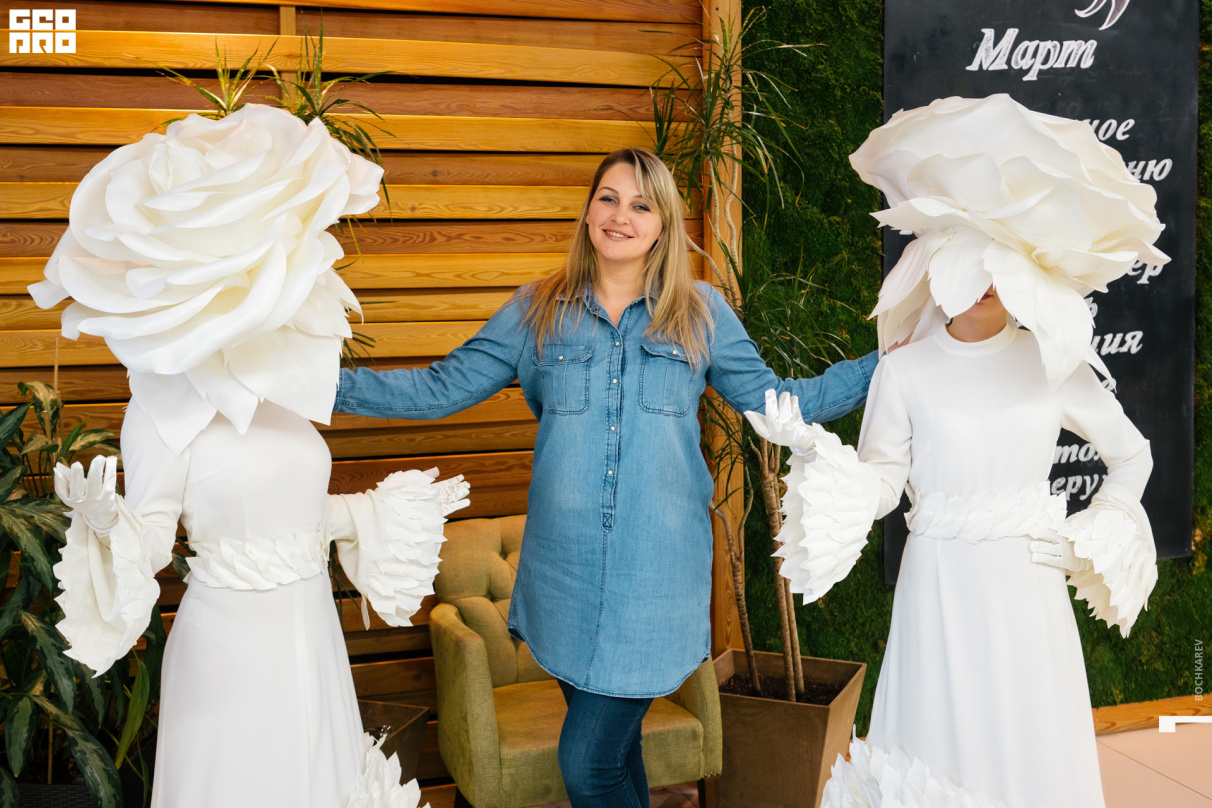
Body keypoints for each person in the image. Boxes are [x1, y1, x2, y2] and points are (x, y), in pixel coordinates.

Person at [332, 147, 879, 807]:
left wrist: (889, 363)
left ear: (663, 223)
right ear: (589, 210)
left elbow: (785, 404)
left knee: (587, 764)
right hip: (563, 576)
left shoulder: (700, 312)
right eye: (609, 199)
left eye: (642, 205)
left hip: (657, 582)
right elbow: (439, 389)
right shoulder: (536, 309)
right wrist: (319, 384)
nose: (622, 216)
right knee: (615, 761)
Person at [31, 104, 461, 808]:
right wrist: (108, 527)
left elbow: (291, 506)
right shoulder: (162, 404)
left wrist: (383, 511)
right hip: (229, 658)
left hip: (311, 634)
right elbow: (154, 544)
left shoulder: (286, 382)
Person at [748, 95, 1166, 808]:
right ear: (936, 266)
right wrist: (818, 451)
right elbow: (884, 482)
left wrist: (1102, 527)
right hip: (938, 587)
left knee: (1029, 743)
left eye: (1001, 270)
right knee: (936, 742)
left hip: (1028, 585)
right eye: (969, 267)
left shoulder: (1051, 362)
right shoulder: (904, 370)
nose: (984, 286)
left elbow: (1133, 455)